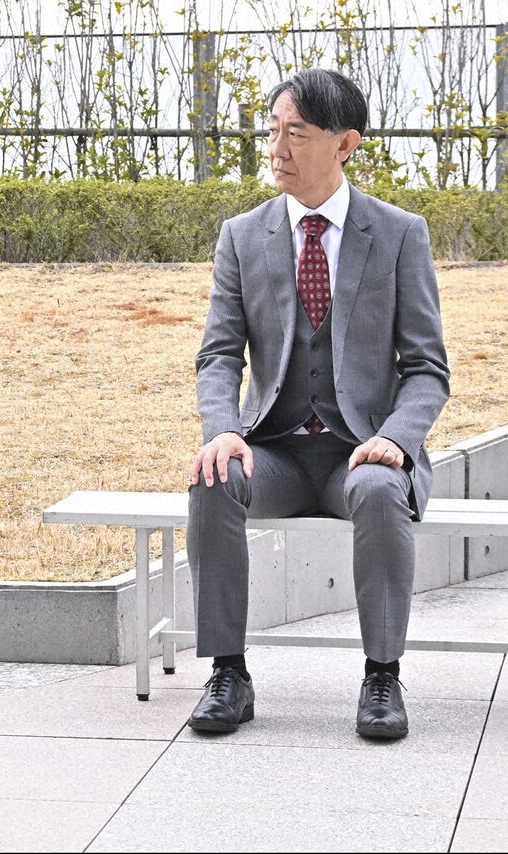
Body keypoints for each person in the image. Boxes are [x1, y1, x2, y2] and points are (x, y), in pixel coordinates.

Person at [186, 69, 449, 739]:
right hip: (273, 450)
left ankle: (382, 677)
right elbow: (219, 355)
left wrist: (397, 437)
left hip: (357, 453)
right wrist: (222, 429)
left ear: (344, 143)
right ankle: (228, 674)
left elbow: (426, 369)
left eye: (296, 134)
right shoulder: (242, 235)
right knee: (213, 477)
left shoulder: (398, 234)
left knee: (382, 490)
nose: (277, 149)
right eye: (272, 131)